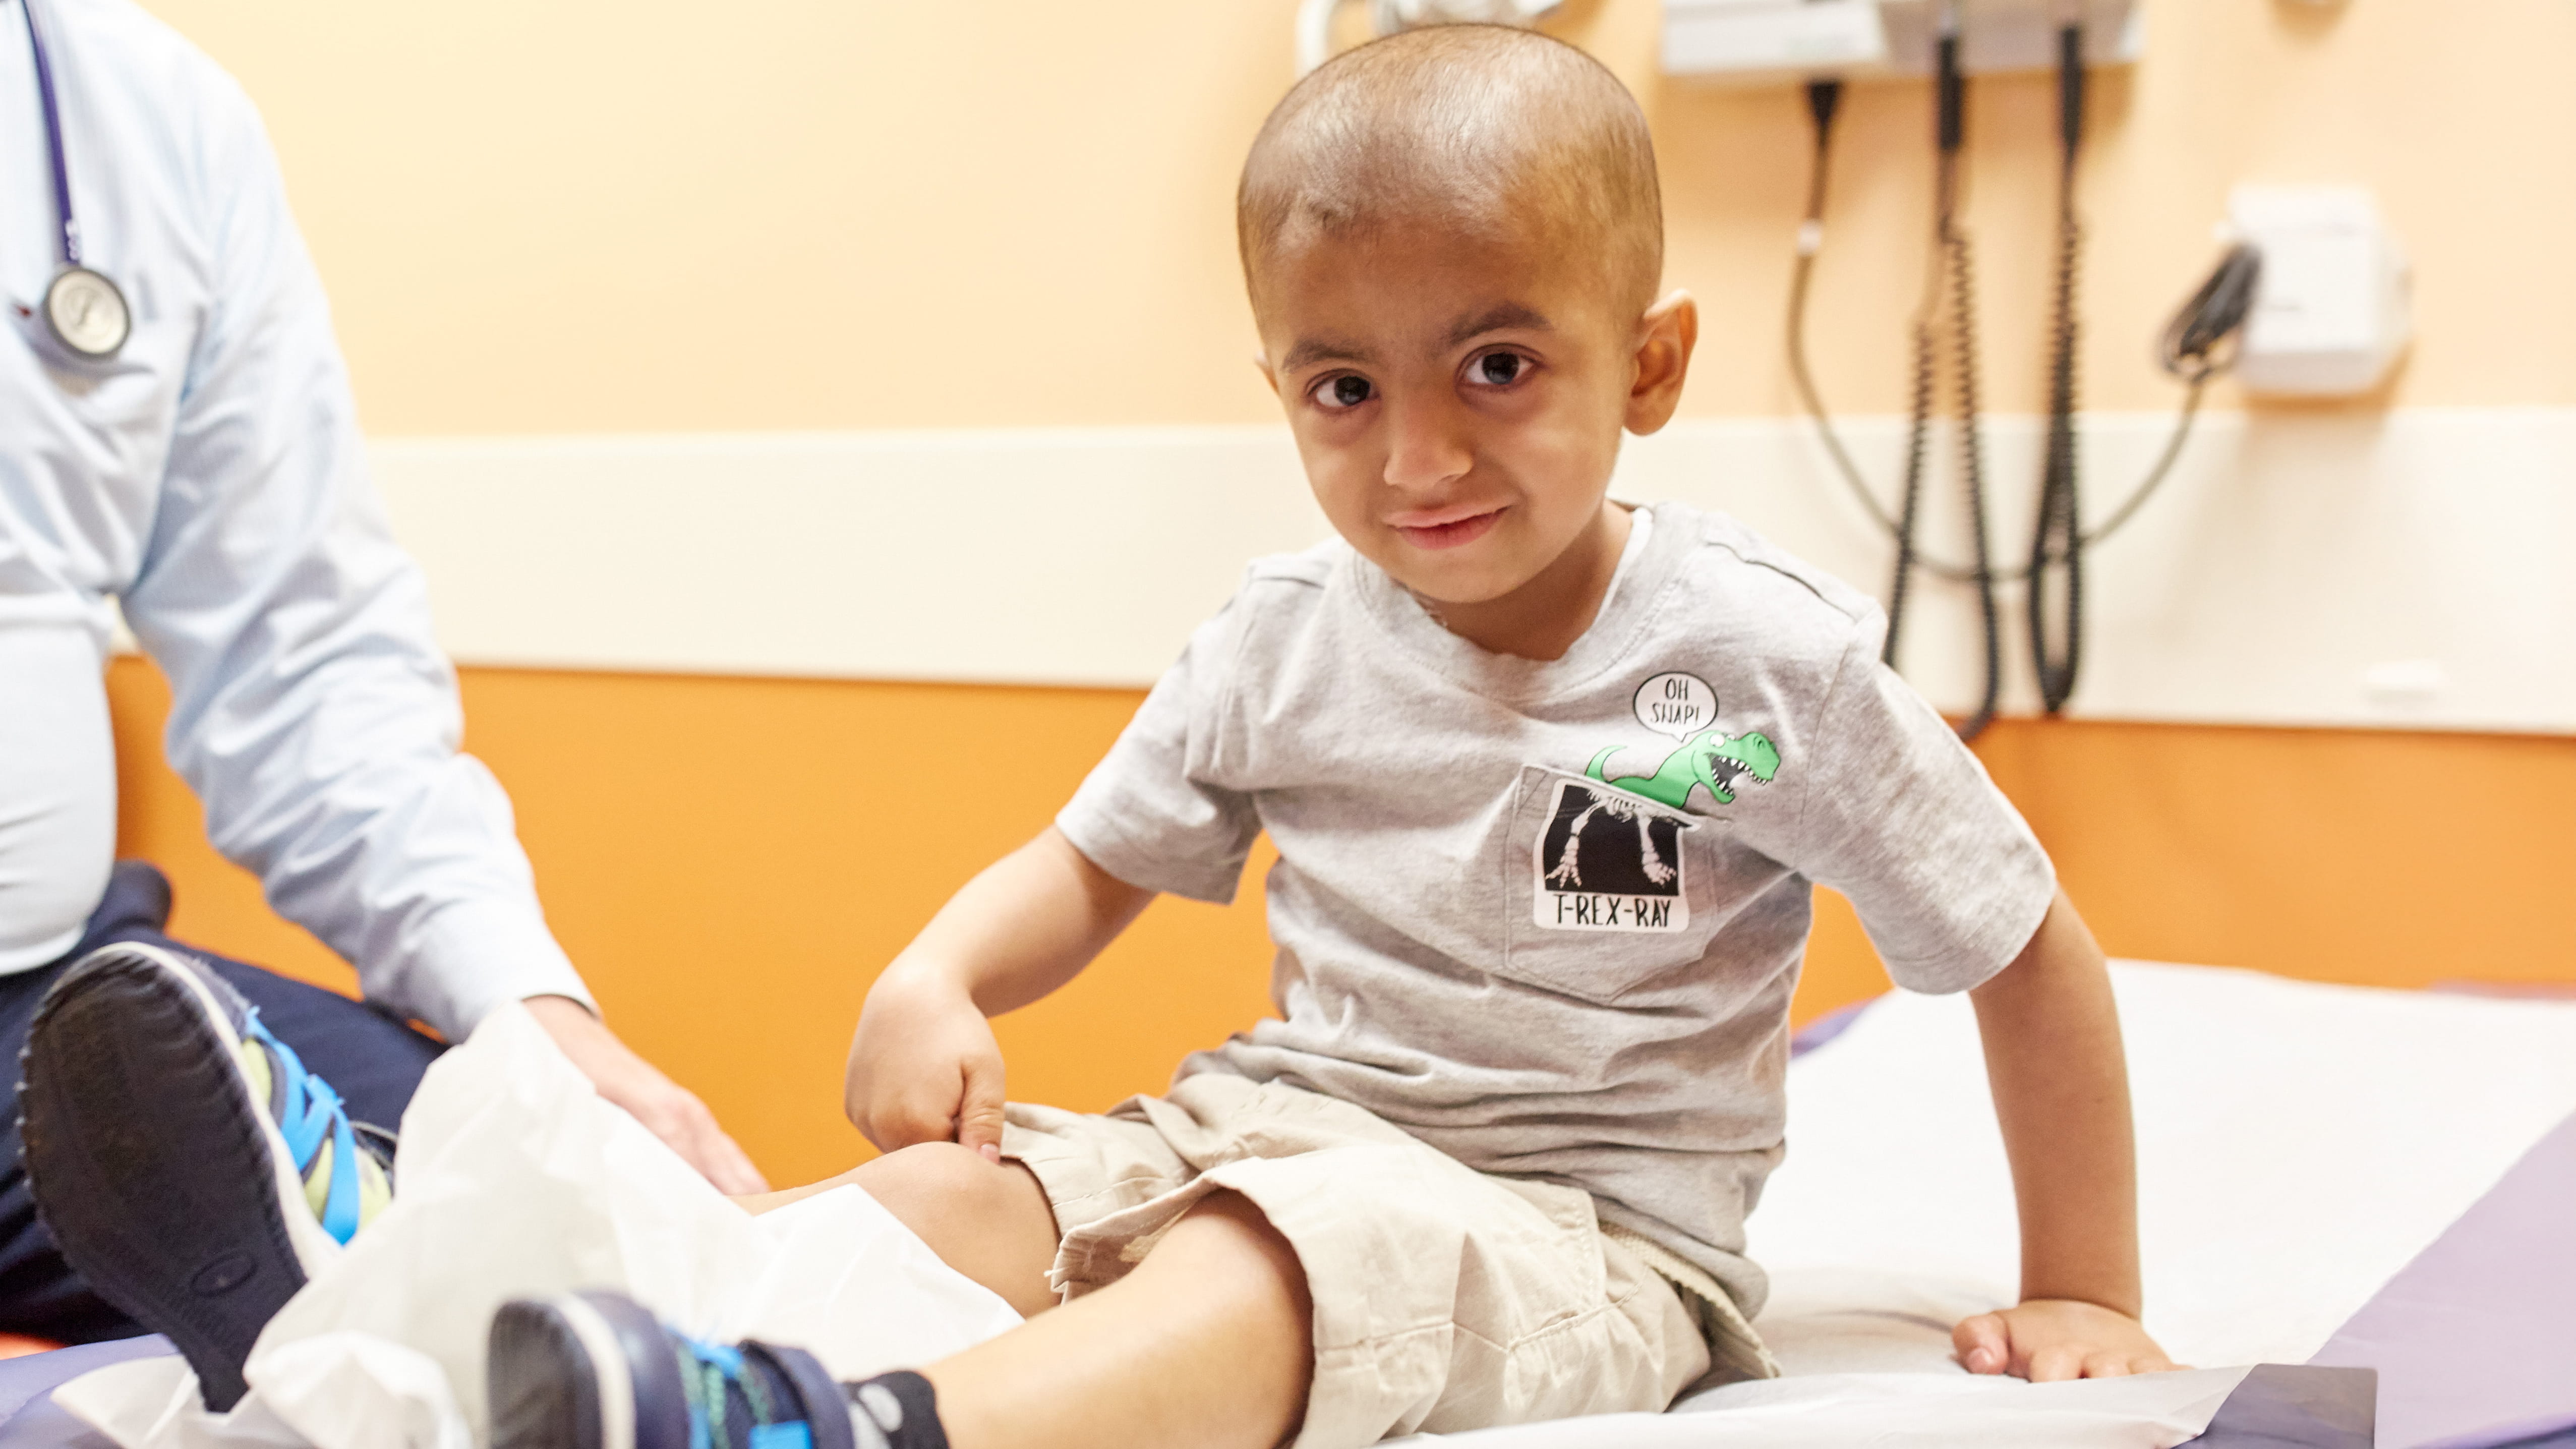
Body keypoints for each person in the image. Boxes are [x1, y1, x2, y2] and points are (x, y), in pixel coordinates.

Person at [26, 22, 2177, 1449]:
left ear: (1655, 363)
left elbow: (2017, 946)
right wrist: (942, 967)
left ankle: (848, 1428)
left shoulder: (1758, 667)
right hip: (1252, 1115)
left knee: (1287, 1256)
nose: (1413, 451)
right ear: (1279, 388)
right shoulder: (1281, 639)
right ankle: (399, 1329)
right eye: (1339, 388)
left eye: (1497, 363)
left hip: (1582, 1223)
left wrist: (2080, 1283)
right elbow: (1093, 863)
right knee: (945, 1201)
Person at [0, 0, 763, 1347]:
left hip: (36, 1005)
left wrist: (526, 1014)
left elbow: (305, 664)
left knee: (574, 1229)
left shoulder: (143, 120)